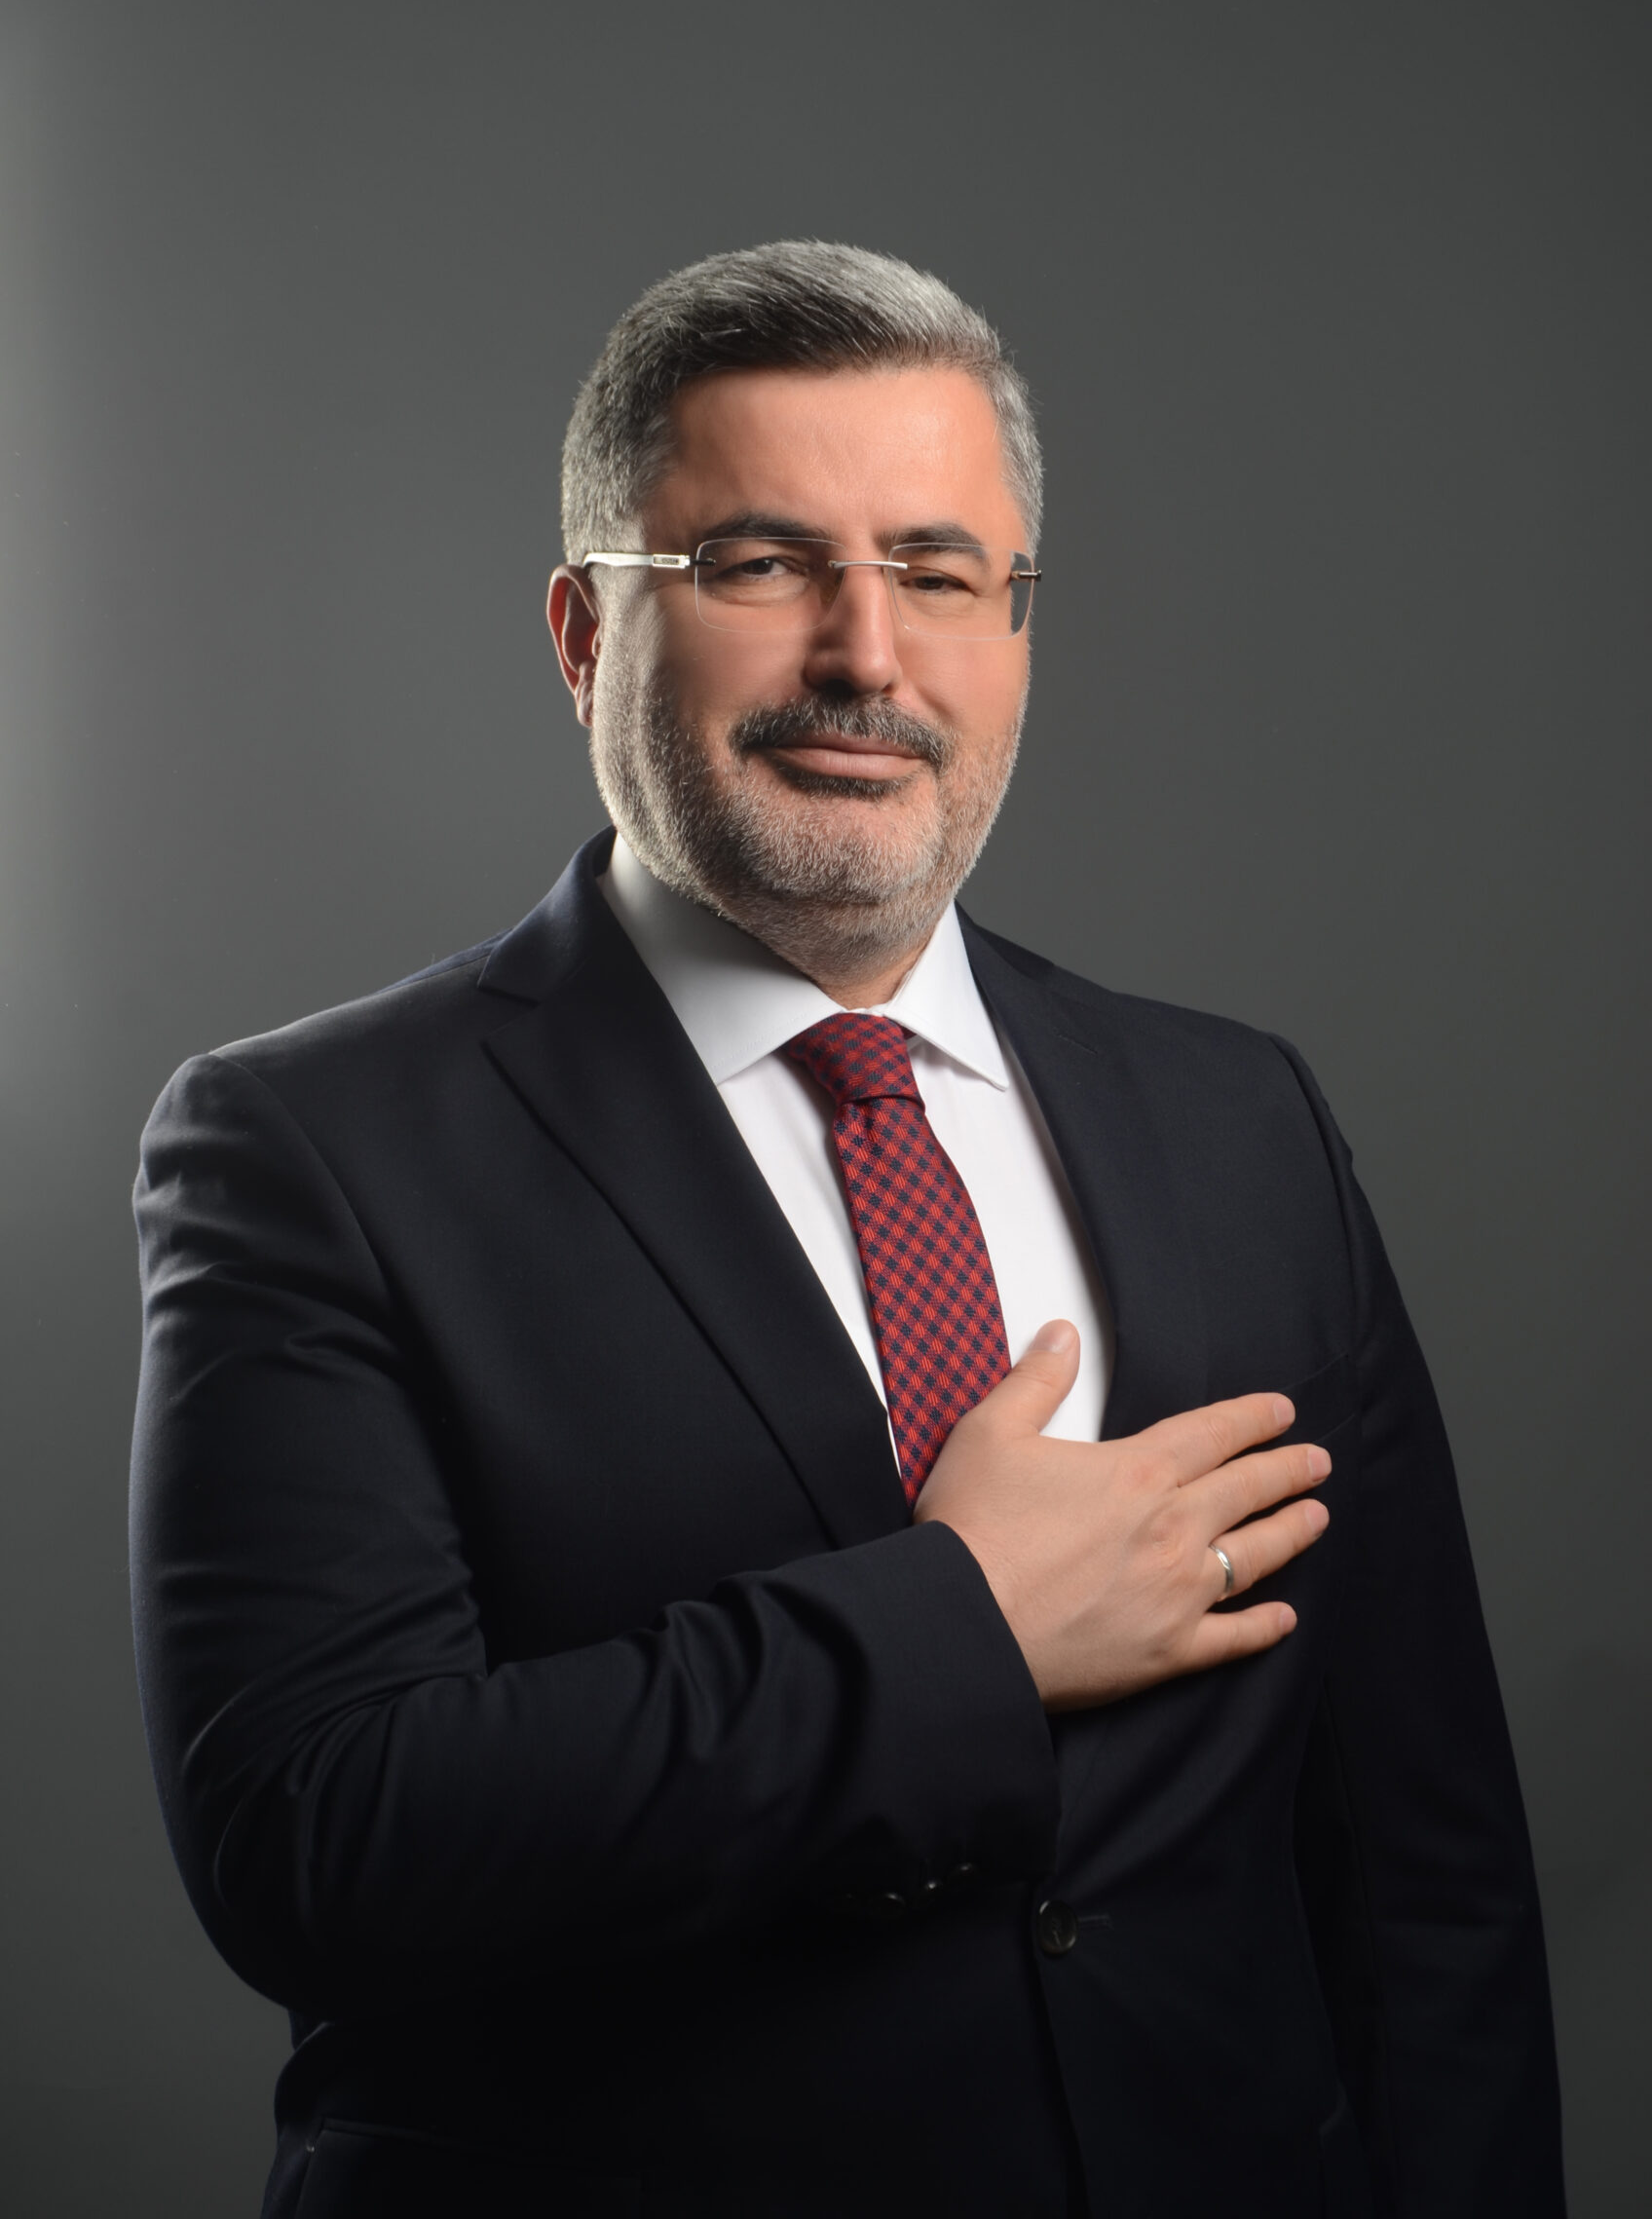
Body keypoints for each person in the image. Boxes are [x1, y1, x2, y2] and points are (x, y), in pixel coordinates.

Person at [131, 243, 1564, 2219]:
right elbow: (317, 1839)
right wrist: (963, 1623)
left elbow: (1426, 1875)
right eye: (759, 562)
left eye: (939, 572)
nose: (865, 655)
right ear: (583, 631)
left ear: (1017, 627)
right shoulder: (310, 1146)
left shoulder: (1243, 1120)